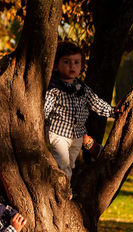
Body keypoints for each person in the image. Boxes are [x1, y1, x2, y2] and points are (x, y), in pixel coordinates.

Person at [44, 41, 116, 180]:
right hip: (59, 134)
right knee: (63, 164)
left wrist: (113, 112)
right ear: (56, 66)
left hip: (77, 135)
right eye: (66, 62)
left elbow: (96, 103)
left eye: (76, 62)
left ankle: (64, 186)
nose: (72, 66)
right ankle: (63, 191)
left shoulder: (82, 89)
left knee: (70, 165)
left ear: (81, 66)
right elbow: (46, 108)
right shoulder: (55, 89)